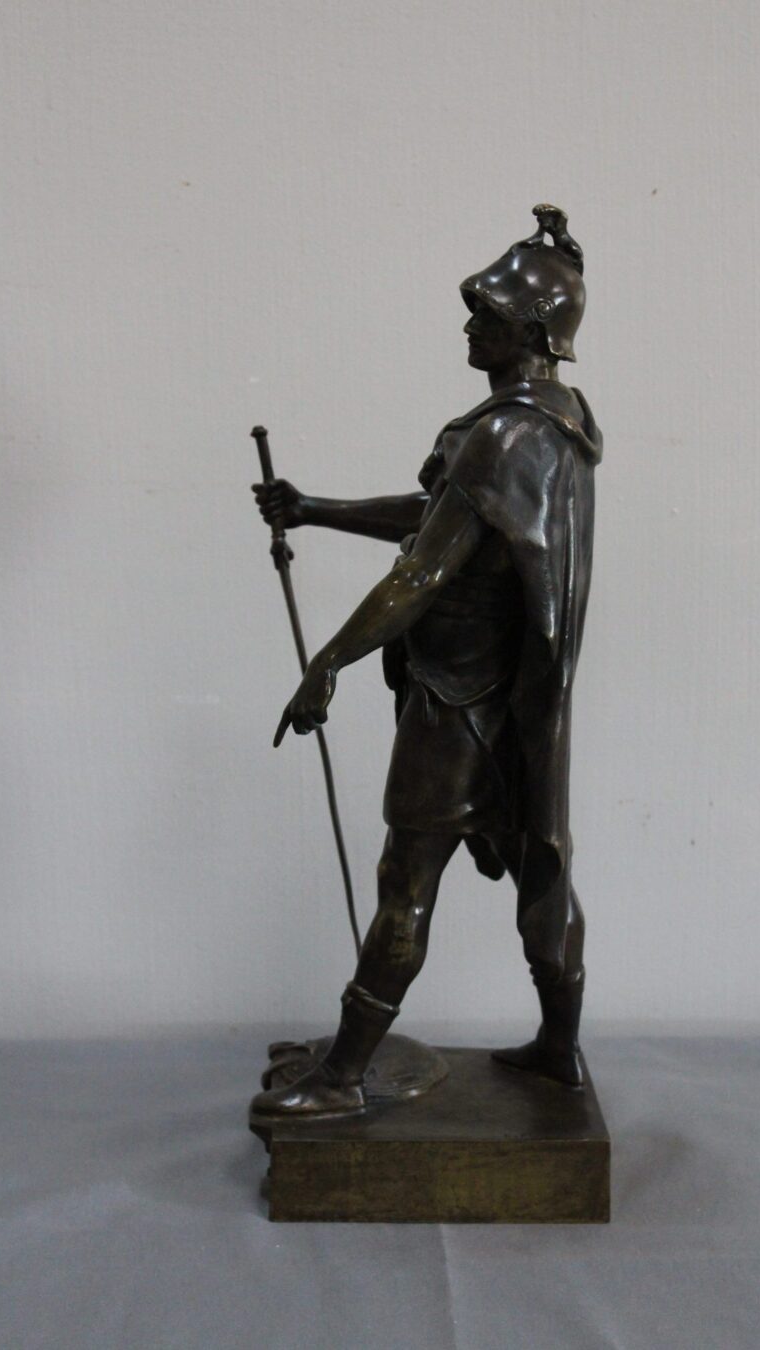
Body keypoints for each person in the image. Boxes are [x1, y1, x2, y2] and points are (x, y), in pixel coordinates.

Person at [250, 206, 603, 1116]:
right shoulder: (553, 427)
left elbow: (421, 571)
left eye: (488, 313)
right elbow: (439, 519)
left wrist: (329, 661)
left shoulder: (502, 435)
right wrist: (316, 509)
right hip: (520, 705)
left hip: (461, 704)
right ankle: (558, 1051)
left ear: (533, 331)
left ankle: (340, 1077)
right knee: (540, 867)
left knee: (406, 878)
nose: (470, 326)